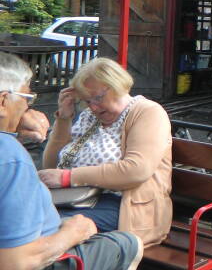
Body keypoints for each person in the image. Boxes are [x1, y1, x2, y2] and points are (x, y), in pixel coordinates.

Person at [0, 51, 142, 270]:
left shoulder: (144, 113)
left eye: (97, 98)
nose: (28, 106)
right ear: (3, 101)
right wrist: (70, 234)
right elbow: (15, 266)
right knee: (122, 245)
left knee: (96, 234)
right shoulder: (10, 156)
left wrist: (12, 128)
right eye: (27, 98)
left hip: (117, 201)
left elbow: (136, 170)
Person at [39, 58, 172, 247]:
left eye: (98, 98)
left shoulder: (148, 112)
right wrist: (64, 119)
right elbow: (52, 166)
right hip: (77, 199)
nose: (93, 107)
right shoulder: (89, 117)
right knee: (22, 217)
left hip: (127, 207)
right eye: (87, 101)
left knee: (47, 227)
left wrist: (68, 178)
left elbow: (136, 170)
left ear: (117, 86)